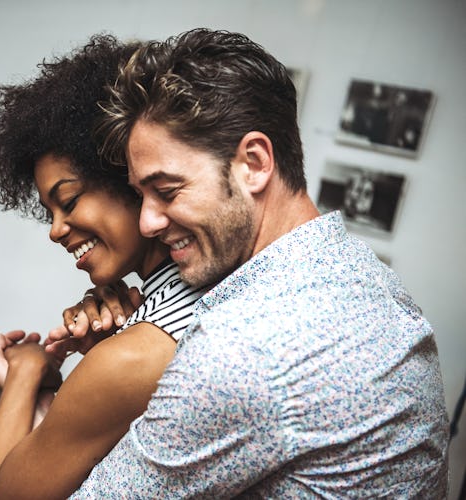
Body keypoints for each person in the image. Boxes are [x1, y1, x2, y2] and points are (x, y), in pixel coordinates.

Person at [68, 28, 449, 498]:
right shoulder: (360, 273)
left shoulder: (243, 349)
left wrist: (37, 386)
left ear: (253, 162)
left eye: (166, 191)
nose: (147, 222)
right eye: (140, 195)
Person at [0, 35, 209, 499]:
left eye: (69, 200)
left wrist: (25, 372)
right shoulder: (177, 294)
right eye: (48, 214)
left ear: (130, 178)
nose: (56, 231)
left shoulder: (144, 346)